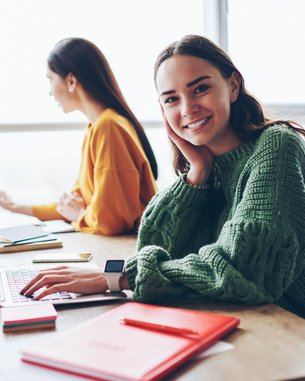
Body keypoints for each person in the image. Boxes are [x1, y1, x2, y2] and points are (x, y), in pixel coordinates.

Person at [21, 35, 305, 317]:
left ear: (232, 86)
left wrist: (116, 279)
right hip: (241, 321)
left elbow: (246, 271)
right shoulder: (208, 169)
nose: (187, 109)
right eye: (171, 99)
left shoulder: (276, 145)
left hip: (289, 330)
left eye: (200, 89)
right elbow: (153, 248)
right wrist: (196, 174)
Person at [0, 38, 157, 236]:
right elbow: (73, 203)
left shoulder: (109, 127)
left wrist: (80, 214)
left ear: (72, 81)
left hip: (125, 249)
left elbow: (110, 222)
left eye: (51, 79)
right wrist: (13, 206)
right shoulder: (96, 126)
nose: (50, 92)